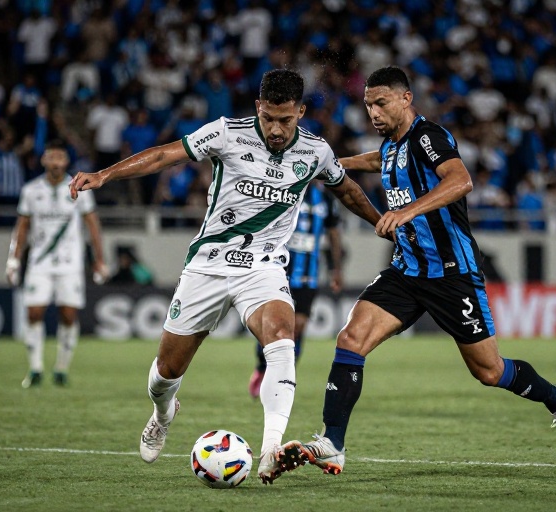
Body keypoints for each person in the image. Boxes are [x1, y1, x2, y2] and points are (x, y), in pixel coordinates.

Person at [68, 69, 383, 484]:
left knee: (282, 337)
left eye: (285, 120)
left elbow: (347, 191)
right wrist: (105, 174)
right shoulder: (226, 133)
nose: (275, 128)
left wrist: (383, 222)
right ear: (258, 107)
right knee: (165, 373)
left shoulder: (316, 152)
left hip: (263, 266)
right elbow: (165, 155)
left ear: (301, 113)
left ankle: (272, 448)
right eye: (268, 117)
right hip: (209, 264)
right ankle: (164, 413)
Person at [279, 66, 556, 477]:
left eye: (381, 102)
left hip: (451, 272)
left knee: (489, 370)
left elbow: (461, 180)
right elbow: (377, 160)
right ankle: (333, 442)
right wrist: (326, 164)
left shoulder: (429, 137)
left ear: (406, 99)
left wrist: (405, 211)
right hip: (407, 270)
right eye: (368, 104)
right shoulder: (390, 145)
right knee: (351, 338)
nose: (372, 112)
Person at [6, 140, 107, 388]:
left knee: (69, 315)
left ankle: (61, 368)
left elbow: (92, 225)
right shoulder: (31, 190)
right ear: (43, 160)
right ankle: (35, 368)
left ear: (66, 161)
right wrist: (14, 259)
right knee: (33, 312)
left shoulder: (80, 188)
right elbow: (22, 227)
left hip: (70, 262)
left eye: (60, 157)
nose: (55, 161)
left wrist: (99, 259)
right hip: (39, 262)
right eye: (51, 157)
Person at [248, 182, 344, 398]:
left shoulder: (325, 198)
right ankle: (262, 367)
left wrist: (335, 268)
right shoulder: (282, 190)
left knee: (297, 326)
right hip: (279, 270)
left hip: (309, 274)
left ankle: (285, 376)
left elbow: (334, 233)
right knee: (275, 323)